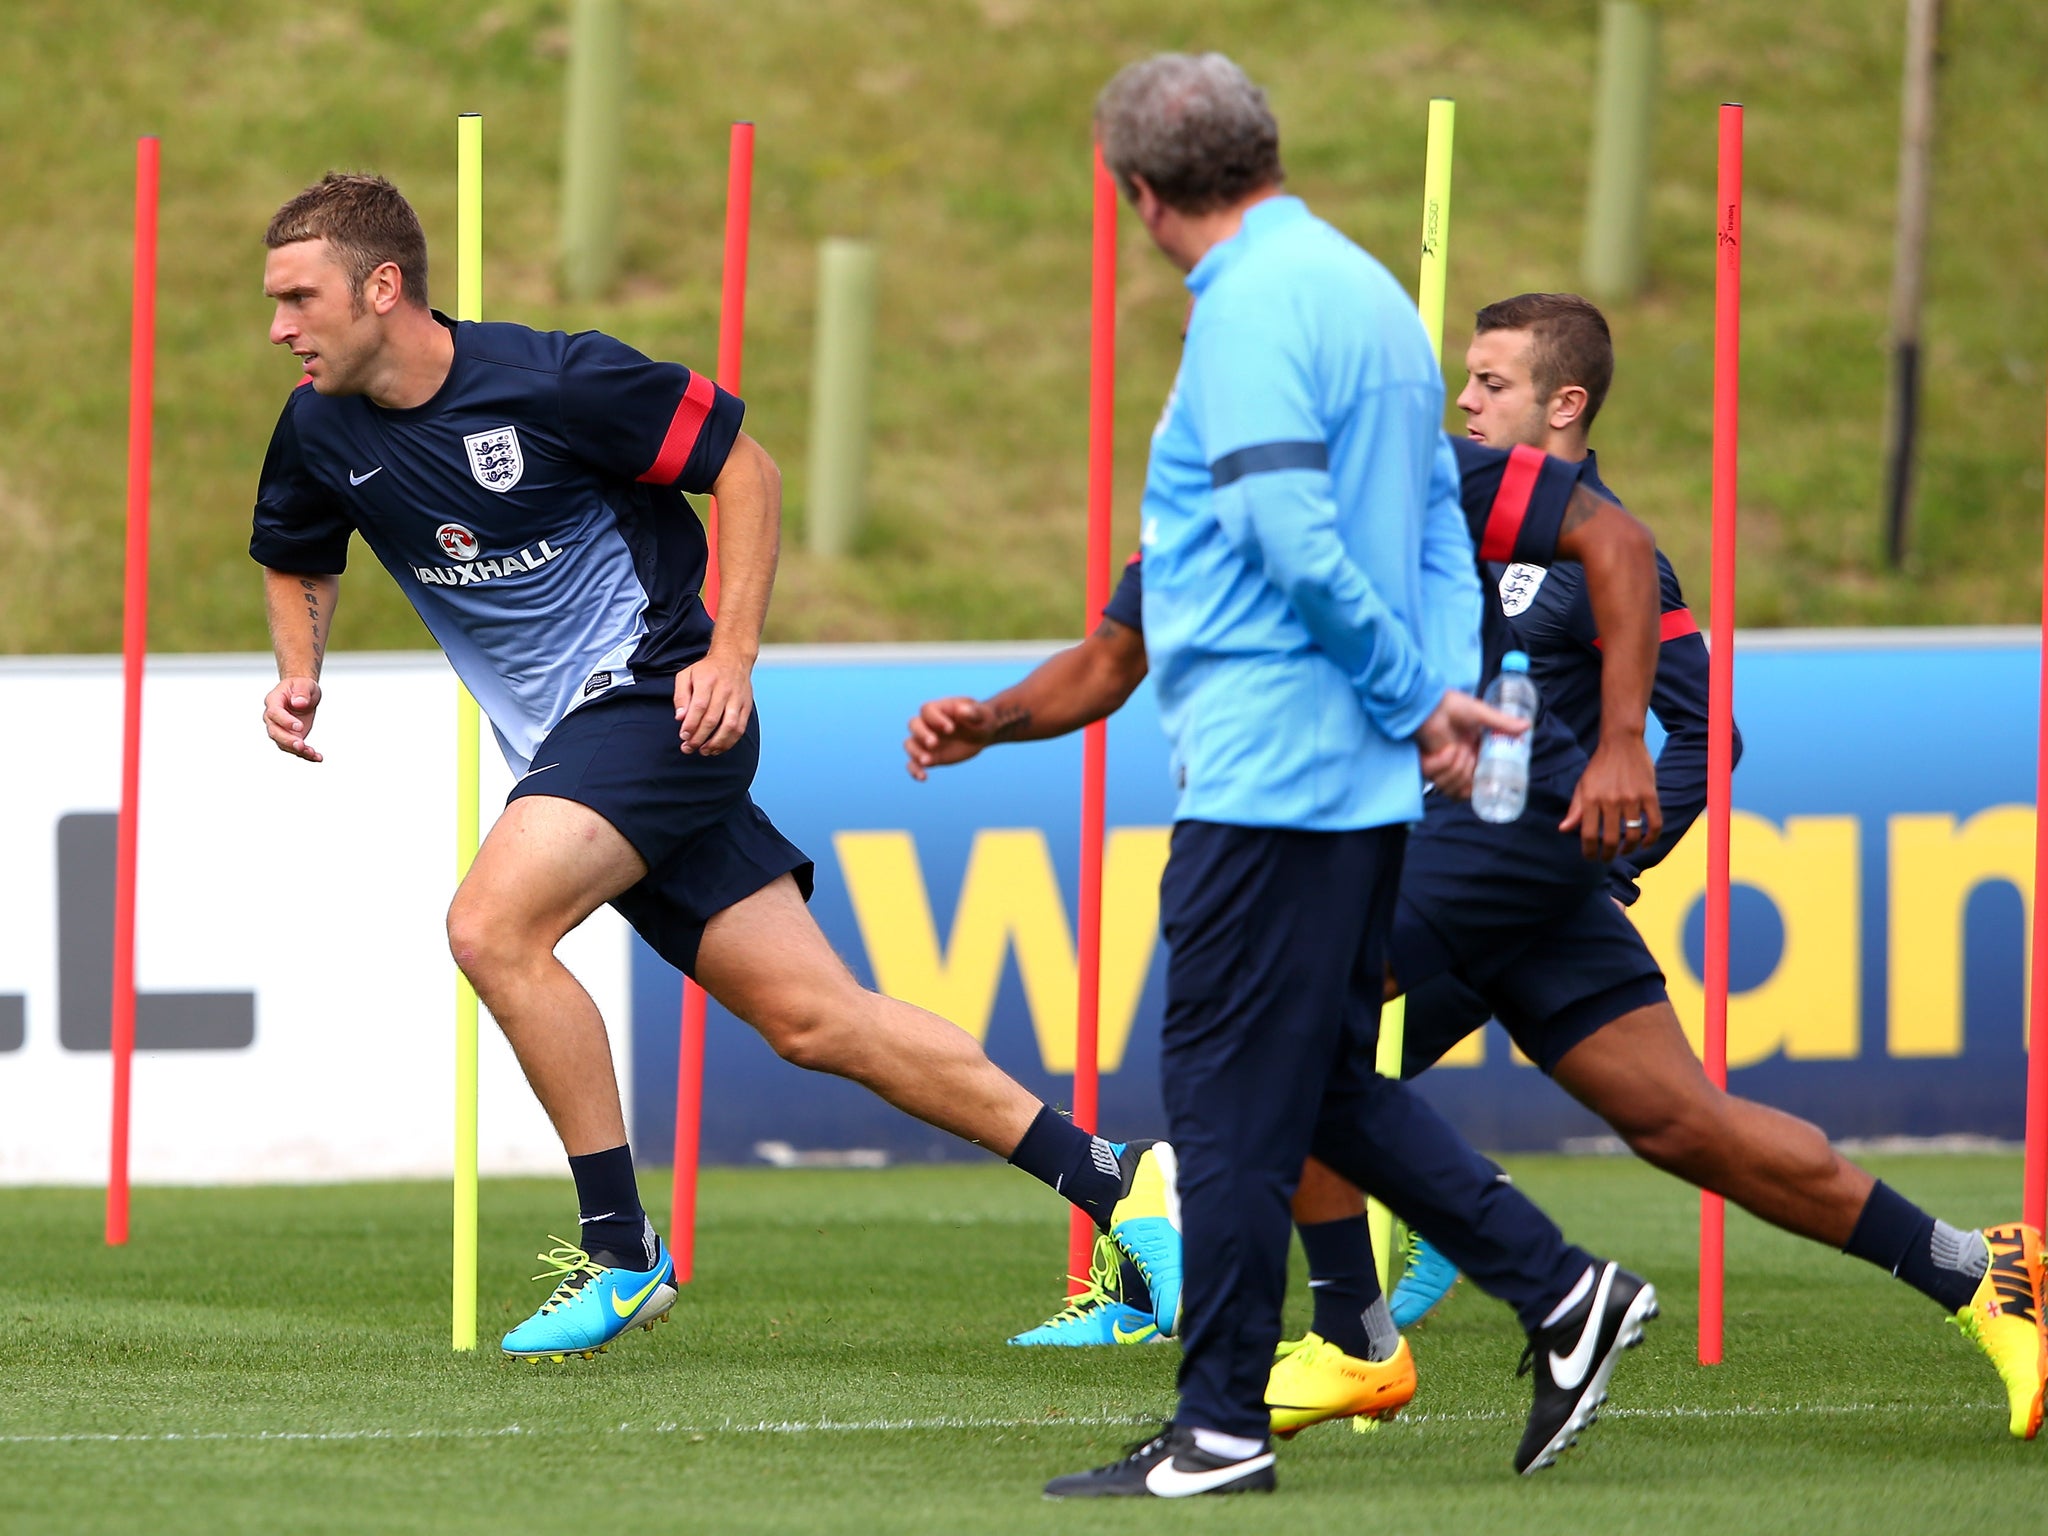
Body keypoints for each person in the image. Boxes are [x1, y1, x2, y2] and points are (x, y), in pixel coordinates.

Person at [914, 289, 2048, 1446]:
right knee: (1678, 1125)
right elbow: (1110, 656)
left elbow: (1693, 701)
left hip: (1496, 845)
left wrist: (1618, 810)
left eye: (1488, 383)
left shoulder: (1442, 485)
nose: (1462, 400)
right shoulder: (1216, 492)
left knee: (1272, 1034)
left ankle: (1373, 1333)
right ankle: (1972, 1267)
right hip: (1450, 860)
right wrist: (990, 720)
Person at [247, 172, 1183, 1366]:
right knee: (815, 1019)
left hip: (663, 704)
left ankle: (619, 1251)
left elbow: (747, 466)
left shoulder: (556, 377)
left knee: (490, 928)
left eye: (297, 298)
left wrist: (731, 653)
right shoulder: (319, 425)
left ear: (383, 289)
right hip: (581, 749)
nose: (279, 327)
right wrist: (299, 668)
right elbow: (295, 546)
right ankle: (1118, 1184)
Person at [1031, 56, 1663, 1498]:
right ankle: (1558, 1291)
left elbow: (1286, 539)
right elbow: (1445, 531)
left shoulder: (1252, 309)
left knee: (1223, 1102)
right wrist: (1432, 693)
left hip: (1272, 775)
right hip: (1356, 776)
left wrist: (1409, 696)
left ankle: (1221, 1431)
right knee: (1312, 1085)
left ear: (1137, 194)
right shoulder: (1375, 294)